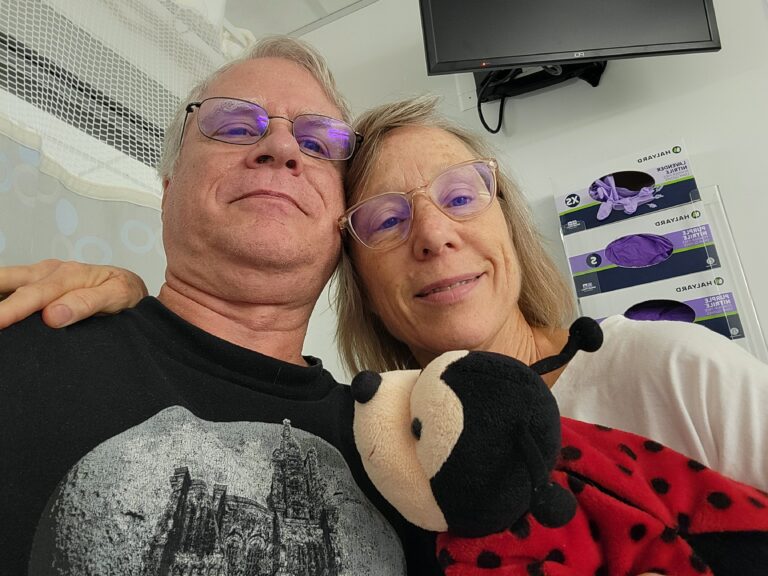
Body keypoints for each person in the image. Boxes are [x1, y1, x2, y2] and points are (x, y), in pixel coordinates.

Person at [7, 94, 768, 497]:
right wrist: (135, 306)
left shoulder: (668, 368)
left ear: (507, 222)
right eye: (386, 219)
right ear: (359, 279)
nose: (434, 236)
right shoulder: (379, 453)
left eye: (461, 197)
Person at [0, 37, 438, 575]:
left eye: (318, 143)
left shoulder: (406, 449)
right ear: (167, 190)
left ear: (344, 221)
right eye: (235, 127)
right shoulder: (20, 333)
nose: (282, 148)